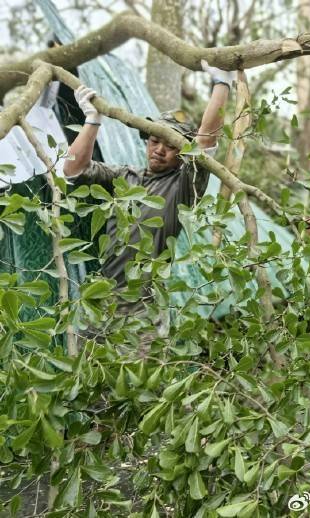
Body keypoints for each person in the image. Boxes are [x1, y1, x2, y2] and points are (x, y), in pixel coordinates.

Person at [63, 61, 234, 348]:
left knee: (137, 387)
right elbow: (72, 169)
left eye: (170, 144)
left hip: (143, 308)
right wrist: (92, 120)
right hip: (100, 299)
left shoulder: (182, 186)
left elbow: (205, 141)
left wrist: (222, 83)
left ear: (182, 153)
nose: (159, 149)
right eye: (154, 140)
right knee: (90, 385)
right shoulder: (123, 177)